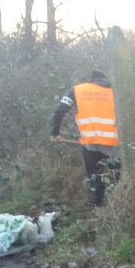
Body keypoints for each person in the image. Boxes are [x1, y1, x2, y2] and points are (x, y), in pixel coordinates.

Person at [50, 70, 119, 206]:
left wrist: (55, 134)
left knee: (95, 177)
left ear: (91, 80)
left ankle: (99, 207)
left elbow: (59, 110)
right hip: (113, 142)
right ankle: (121, 205)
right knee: (118, 176)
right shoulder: (114, 91)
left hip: (90, 142)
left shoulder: (77, 90)